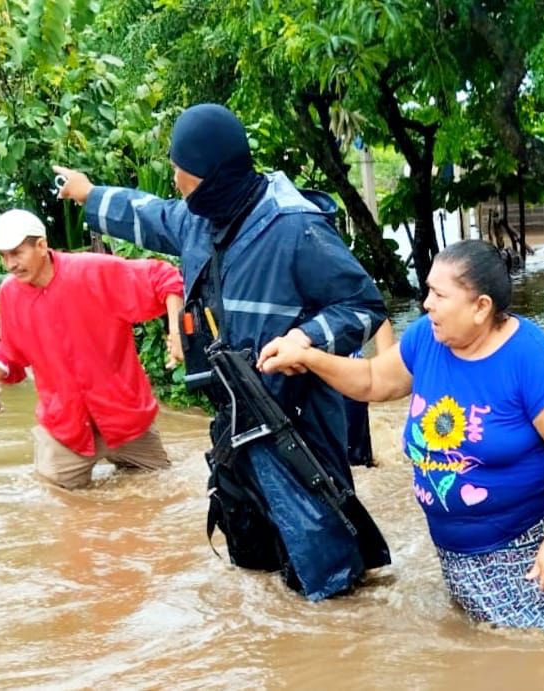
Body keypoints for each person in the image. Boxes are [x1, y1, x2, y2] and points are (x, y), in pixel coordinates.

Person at [52, 103, 390, 600]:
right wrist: (88, 194)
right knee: (254, 563)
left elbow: (362, 305)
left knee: (324, 565)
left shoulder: (294, 226)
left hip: (295, 416)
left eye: (180, 172)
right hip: (235, 417)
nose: (174, 180)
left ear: (208, 177)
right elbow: (150, 216)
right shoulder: (200, 221)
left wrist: (308, 338)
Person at [258, 239, 544, 630]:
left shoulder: (530, 358)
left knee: (538, 654)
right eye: (428, 290)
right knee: (484, 647)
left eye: (439, 294)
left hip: (522, 546)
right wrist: (309, 358)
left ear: (481, 307)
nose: (427, 303)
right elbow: (372, 380)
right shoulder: (426, 338)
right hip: (454, 549)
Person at [0, 209, 184, 489]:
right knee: (61, 508)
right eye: (3, 256)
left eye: (16, 253)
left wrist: (177, 330)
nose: (10, 264)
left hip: (126, 419)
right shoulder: (9, 294)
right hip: (66, 429)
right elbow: (12, 355)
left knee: (163, 490)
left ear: (41, 245)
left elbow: (165, 278)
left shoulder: (93, 270)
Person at [345, 319, 395, 467]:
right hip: (310, 385)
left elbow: (379, 316)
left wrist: (385, 368)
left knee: (358, 464)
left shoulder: (350, 296)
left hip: (351, 381)